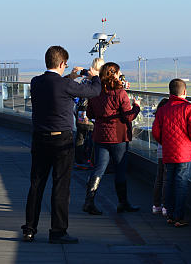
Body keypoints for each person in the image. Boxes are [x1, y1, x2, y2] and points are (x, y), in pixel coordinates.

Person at [22, 46, 101, 244]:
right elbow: (94, 91)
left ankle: (29, 229)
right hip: (61, 141)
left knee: (36, 185)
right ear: (61, 64)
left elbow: (55, 85)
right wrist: (94, 76)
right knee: (60, 187)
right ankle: (57, 232)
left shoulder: (35, 82)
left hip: (39, 138)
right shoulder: (65, 85)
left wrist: (69, 77)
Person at [82, 62, 141, 216]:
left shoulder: (95, 92)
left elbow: (90, 115)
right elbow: (128, 116)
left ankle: (89, 201)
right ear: (114, 74)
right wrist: (137, 107)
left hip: (100, 135)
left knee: (99, 168)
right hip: (118, 136)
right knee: (120, 170)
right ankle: (122, 203)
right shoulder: (120, 93)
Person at [152, 78, 191, 227]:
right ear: (184, 92)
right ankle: (180, 216)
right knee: (181, 183)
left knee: (170, 182)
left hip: (167, 151)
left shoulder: (163, 109)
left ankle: (170, 214)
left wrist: (164, 142)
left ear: (170, 92)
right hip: (184, 152)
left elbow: (155, 131)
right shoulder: (188, 107)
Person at [74, 57, 105, 170]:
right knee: (93, 137)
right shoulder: (100, 80)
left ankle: (78, 160)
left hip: (82, 112)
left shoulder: (85, 80)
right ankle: (91, 160)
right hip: (93, 112)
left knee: (80, 137)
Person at [152, 98, 169, 215]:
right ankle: (165, 206)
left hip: (160, 151)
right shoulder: (167, 118)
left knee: (159, 177)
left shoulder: (157, 119)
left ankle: (156, 205)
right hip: (167, 152)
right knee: (166, 178)